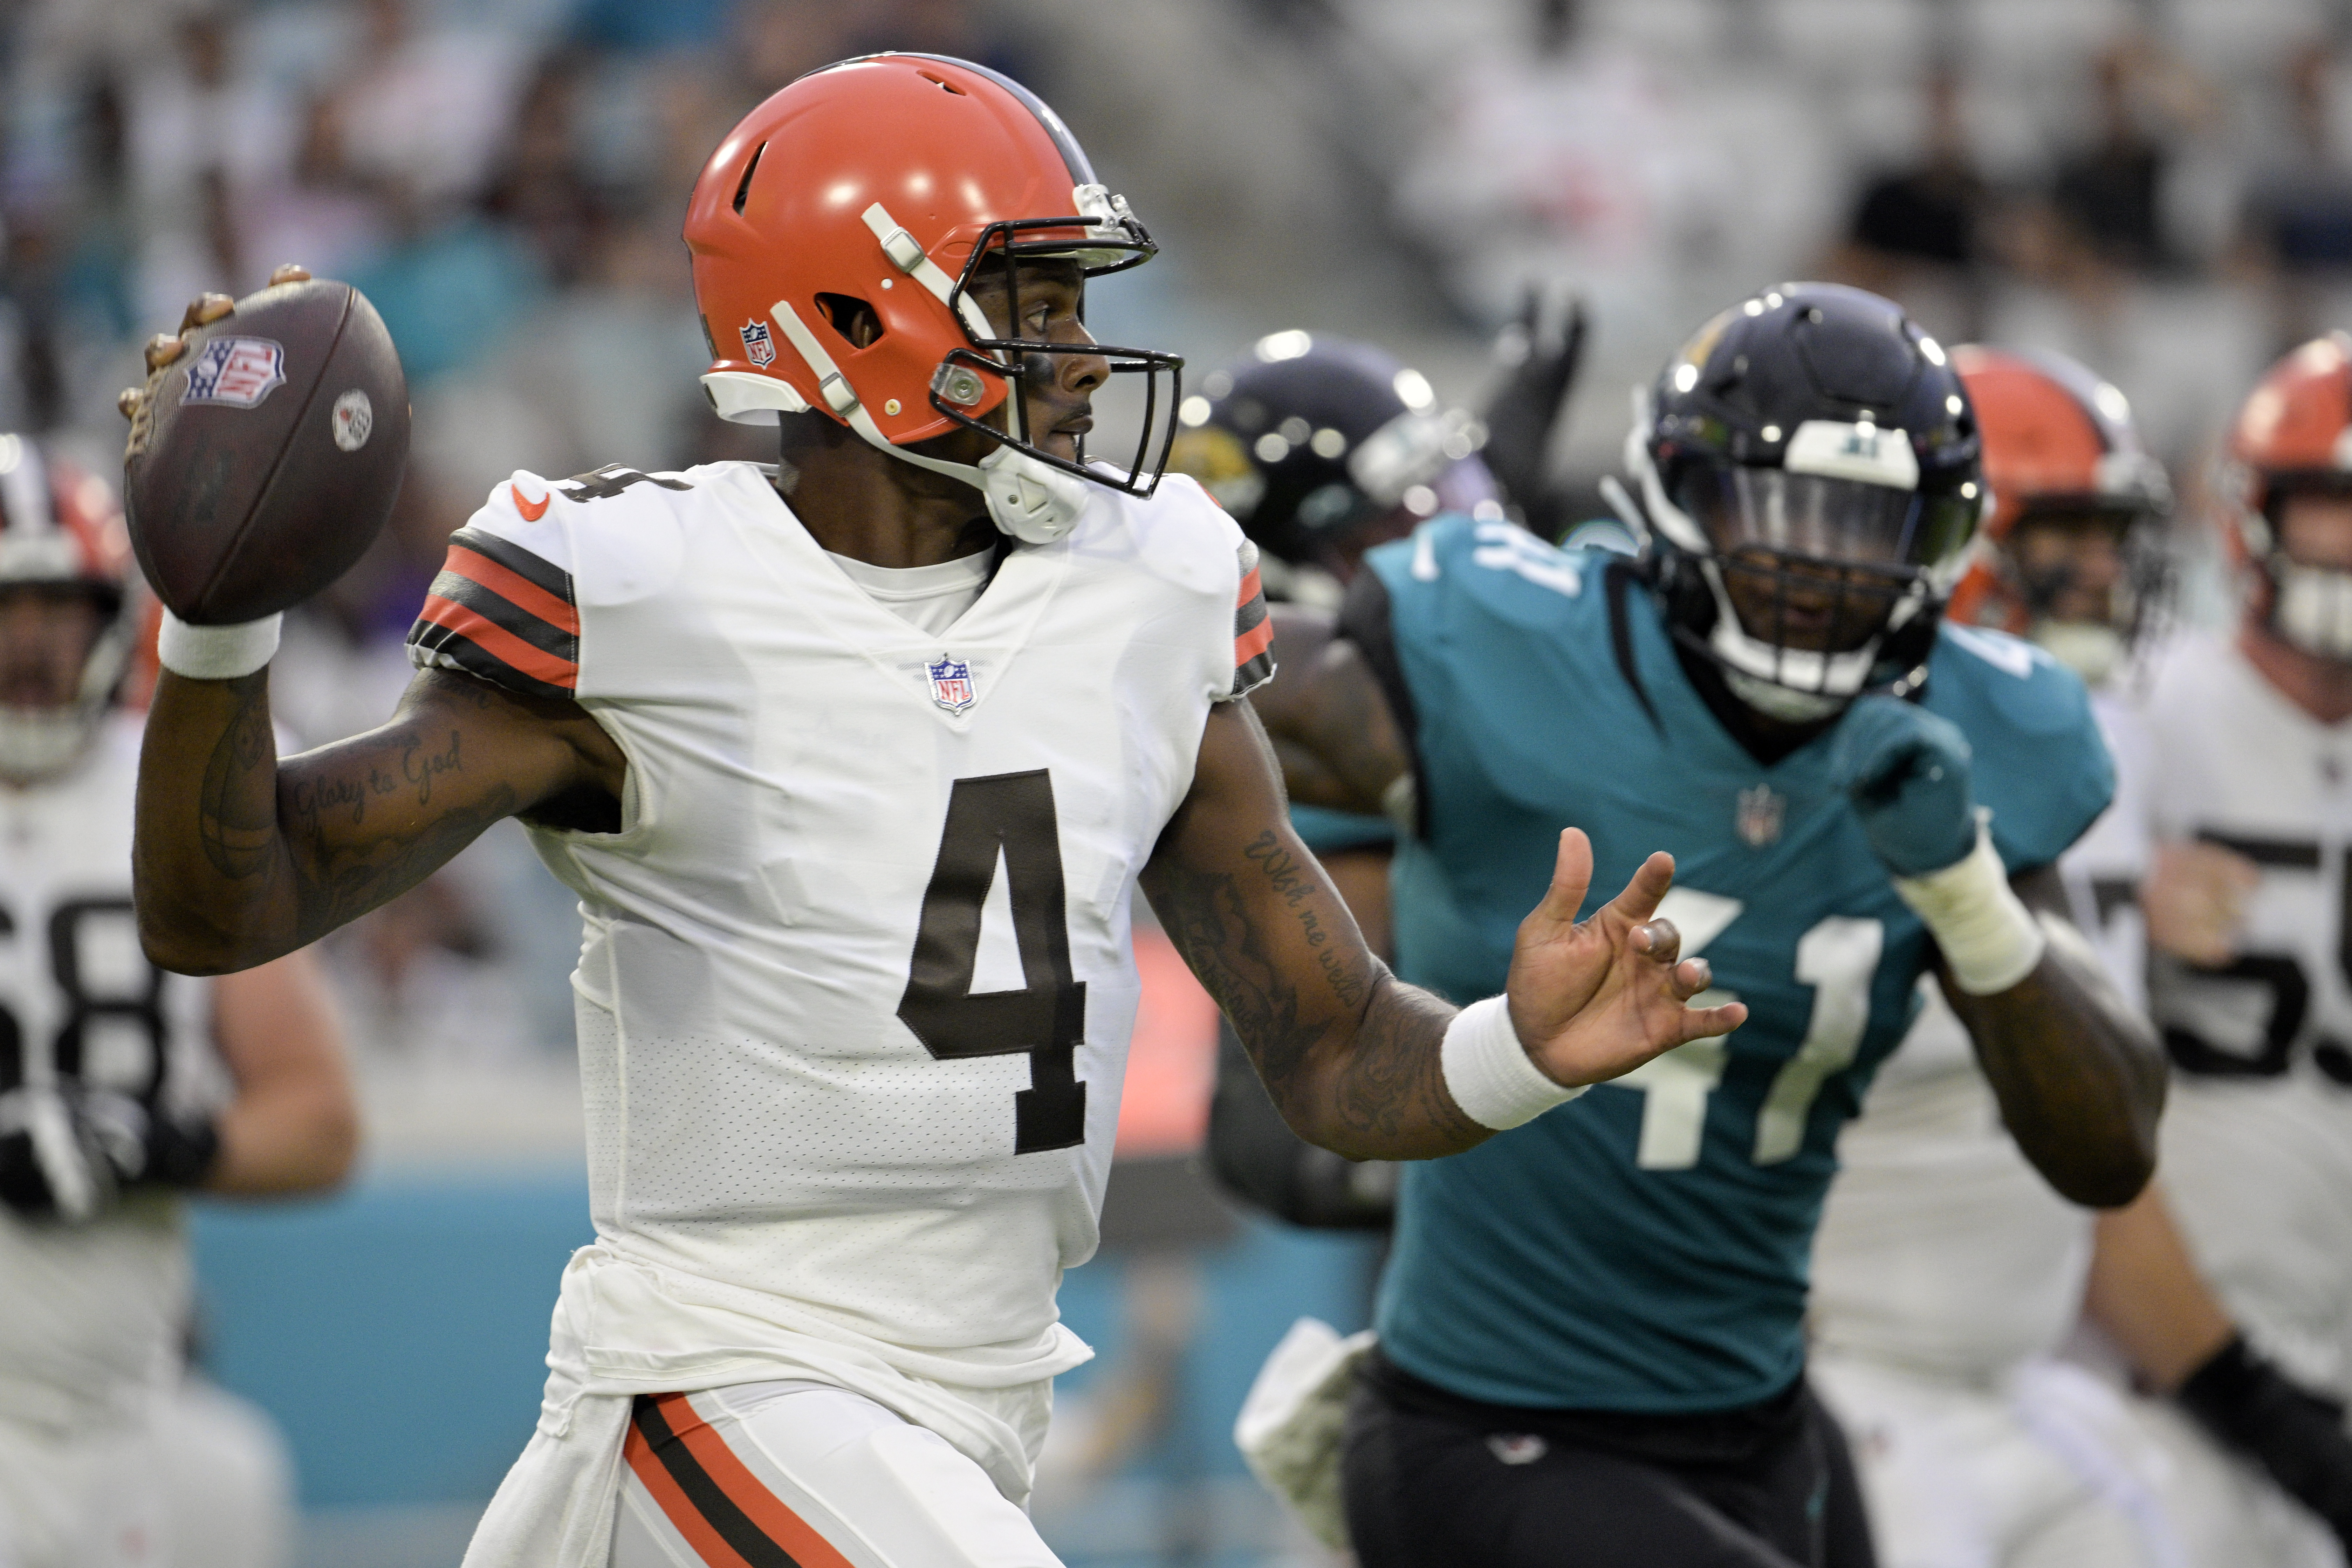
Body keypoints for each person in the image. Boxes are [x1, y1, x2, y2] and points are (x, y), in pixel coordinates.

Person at [119, 57, 1739, 1568]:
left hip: (966, 1405)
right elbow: (226, 908)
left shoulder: (1146, 593)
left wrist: (1513, 1051)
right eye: (1031, 301)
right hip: (722, 1374)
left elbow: (1328, 1047)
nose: (1085, 354)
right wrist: (216, 627)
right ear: (844, 314)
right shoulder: (644, 599)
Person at [1266, 282, 2168, 1568]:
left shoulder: (1962, 740)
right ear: (1680, 494)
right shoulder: (1517, 650)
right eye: (1783, 509)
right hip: (1493, 1425)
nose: (1819, 567)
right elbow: (1208, 698)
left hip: (1762, 1427)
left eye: (1868, 527)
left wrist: (1962, 888)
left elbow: (2110, 1147)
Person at [1809, 346, 2352, 1568]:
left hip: (2020, 1373)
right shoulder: (1828, 761)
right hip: (1853, 1353)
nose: (2106, 574)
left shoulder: (2076, 747)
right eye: (2072, 535)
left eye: (2115, 538)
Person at [0, 435, 357, 1568]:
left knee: (230, 1479)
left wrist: (150, 1144)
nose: (34, 645)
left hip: (123, 1390)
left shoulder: (165, 795)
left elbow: (318, 1120)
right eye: (9, 609)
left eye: (60, 609)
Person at [2120, 331, 2352, 1564]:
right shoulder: (2150, 715)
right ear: (2254, 517)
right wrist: (2114, 895)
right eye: (2334, 509)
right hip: (2188, 1327)